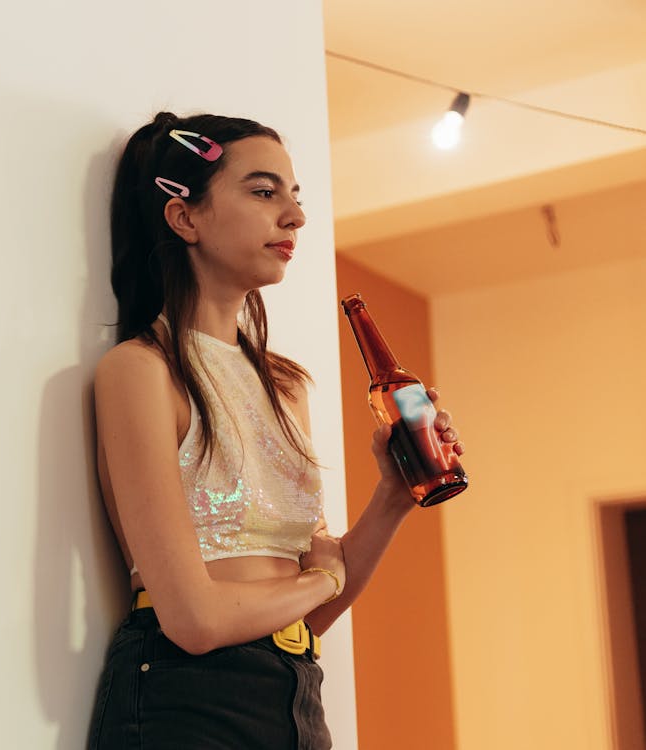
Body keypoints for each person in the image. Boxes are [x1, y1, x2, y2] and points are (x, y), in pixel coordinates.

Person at [86, 112, 465, 749]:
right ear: (185, 217)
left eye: (295, 196)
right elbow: (195, 619)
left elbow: (314, 614)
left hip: (294, 691)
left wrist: (393, 499)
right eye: (264, 192)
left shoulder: (284, 385)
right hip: (182, 695)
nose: (295, 217)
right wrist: (322, 577)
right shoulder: (140, 371)